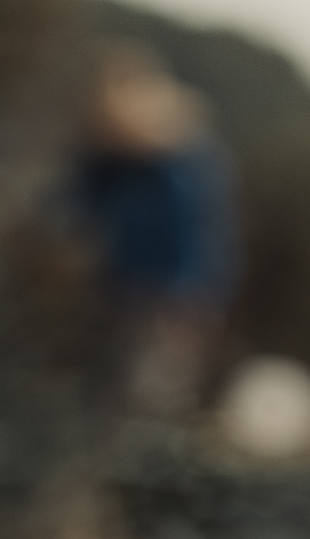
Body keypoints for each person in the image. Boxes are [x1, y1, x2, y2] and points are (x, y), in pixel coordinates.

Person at [56, 51, 236, 415]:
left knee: (151, 391)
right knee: (111, 386)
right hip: (120, 289)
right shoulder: (110, 158)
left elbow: (199, 236)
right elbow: (75, 205)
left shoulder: (185, 157)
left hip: (171, 295)